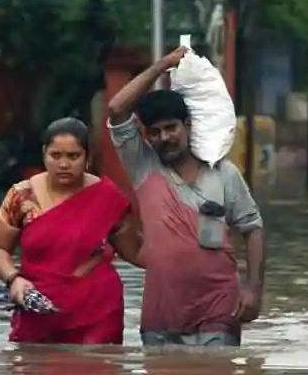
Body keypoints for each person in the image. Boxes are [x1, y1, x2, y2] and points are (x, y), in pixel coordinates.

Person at [108, 47, 266, 347]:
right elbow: (117, 110)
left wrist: (254, 289)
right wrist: (161, 66)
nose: (164, 138)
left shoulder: (224, 173)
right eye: (154, 132)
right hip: (161, 312)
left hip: (219, 307)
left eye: (171, 128)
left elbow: (253, 228)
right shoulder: (144, 167)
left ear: (188, 126)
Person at [0, 118, 143, 344]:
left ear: (87, 158)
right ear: (44, 154)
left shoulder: (107, 196)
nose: (64, 164)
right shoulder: (22, 196)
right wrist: (14, 280)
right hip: (37, 309)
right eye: (56, 156)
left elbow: (136, 252)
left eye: (73, 156)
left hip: (97, 312)